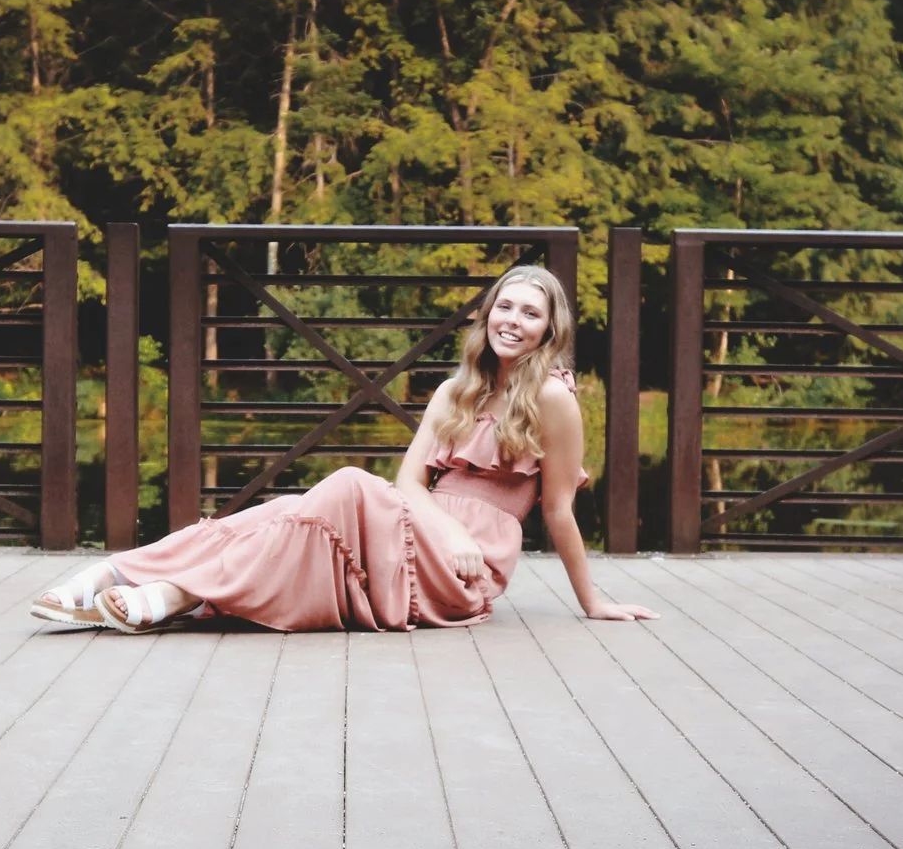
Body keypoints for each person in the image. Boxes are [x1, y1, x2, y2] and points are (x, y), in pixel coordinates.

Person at [32, 263, 657, 631]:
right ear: (487, 313)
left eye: (530, 314)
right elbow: (411, 485)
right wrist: (448, 529)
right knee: (282, 510)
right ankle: (120, 570)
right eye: (505, 307)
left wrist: (593, 601)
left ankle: (173, 592)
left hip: (468, 567)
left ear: (550, 330)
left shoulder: (553, 398)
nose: (513, 321)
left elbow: (557, 512)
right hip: (426, 531)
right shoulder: (454, 392)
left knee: (351, 483)